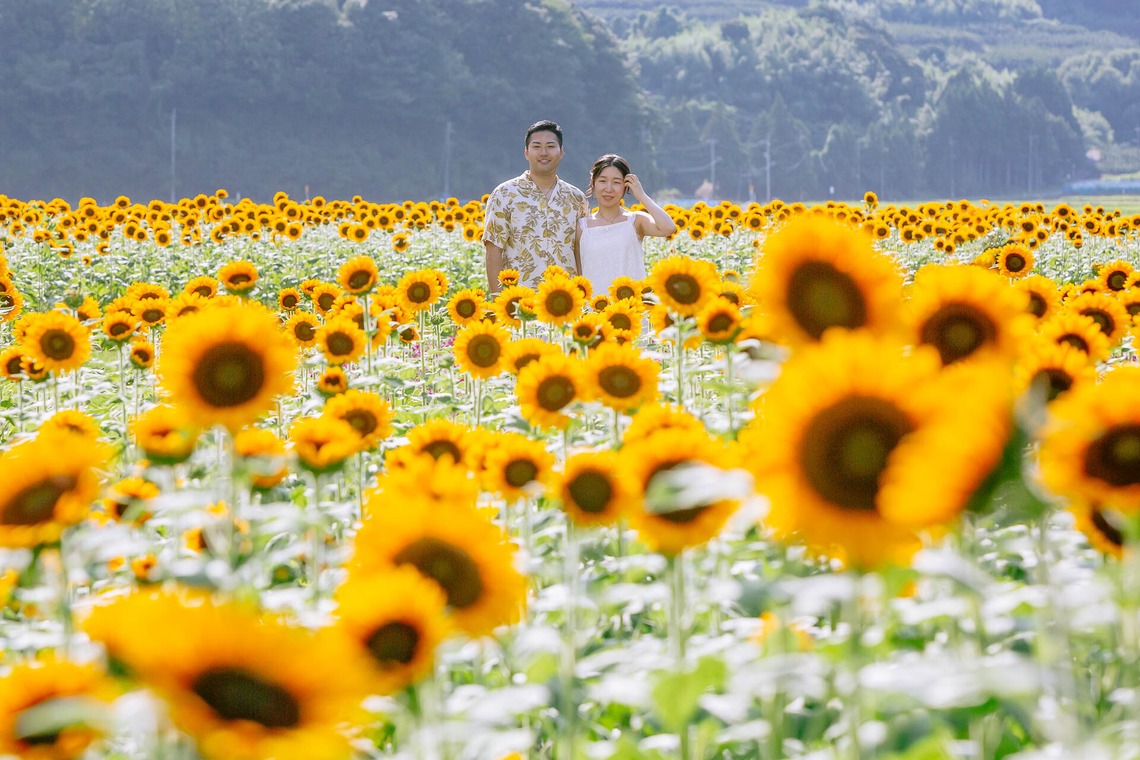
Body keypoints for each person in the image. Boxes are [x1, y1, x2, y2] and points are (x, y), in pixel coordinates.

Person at [482, 120, 587, 294]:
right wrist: (499, 302)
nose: (544, 153)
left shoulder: (576, 199)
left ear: (561, 152)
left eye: (550, 146)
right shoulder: (505, 194)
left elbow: (580, 251)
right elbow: (493, 250)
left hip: (566, 302)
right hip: (520, 302)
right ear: (526, 152)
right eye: (537, 146)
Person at [576, 154, 677, 296]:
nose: (609, 188)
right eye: (603, 181)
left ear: (626, 186)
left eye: (616, 182)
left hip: (632, 310)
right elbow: (579, 274)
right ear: (593, 183)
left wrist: (641, 195)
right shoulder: (581, 228)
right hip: (594, 310)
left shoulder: (635, 221)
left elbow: (668, 228)